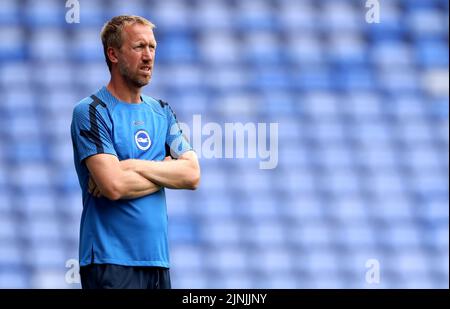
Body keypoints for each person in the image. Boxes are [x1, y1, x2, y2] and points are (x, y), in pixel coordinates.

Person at [70, 15, 200, 289]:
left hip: (157, 263)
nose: (148, 56)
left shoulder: (162, 111)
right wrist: (163, 170)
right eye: (139, 47)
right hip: (110, 262)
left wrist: (130, 165)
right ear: (113, 54)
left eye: (152, 47)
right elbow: (114, 186)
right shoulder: (92, 111)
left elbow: (191, 174)